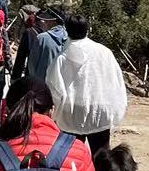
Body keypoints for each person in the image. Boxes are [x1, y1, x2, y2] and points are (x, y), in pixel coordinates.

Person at [46, 13, 127, 154]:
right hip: (100, 110)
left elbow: (54, 88)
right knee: (101, 156)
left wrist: (55, 114)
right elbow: (116, 81)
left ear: (67, 30)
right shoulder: (104, 52)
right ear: (87, 29)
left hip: (71, 113)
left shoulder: (61, 58)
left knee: (73, 156)